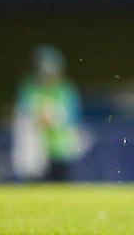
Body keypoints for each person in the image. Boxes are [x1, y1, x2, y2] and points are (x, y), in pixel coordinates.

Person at [12, 45, 84, 181]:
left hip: (60, 149)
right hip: (36, 149)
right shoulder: (29, 87)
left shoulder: (65, 89)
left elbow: (72, 116)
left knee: (62, 184)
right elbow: (22, 112)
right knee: (34, 185)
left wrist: (53, 119)